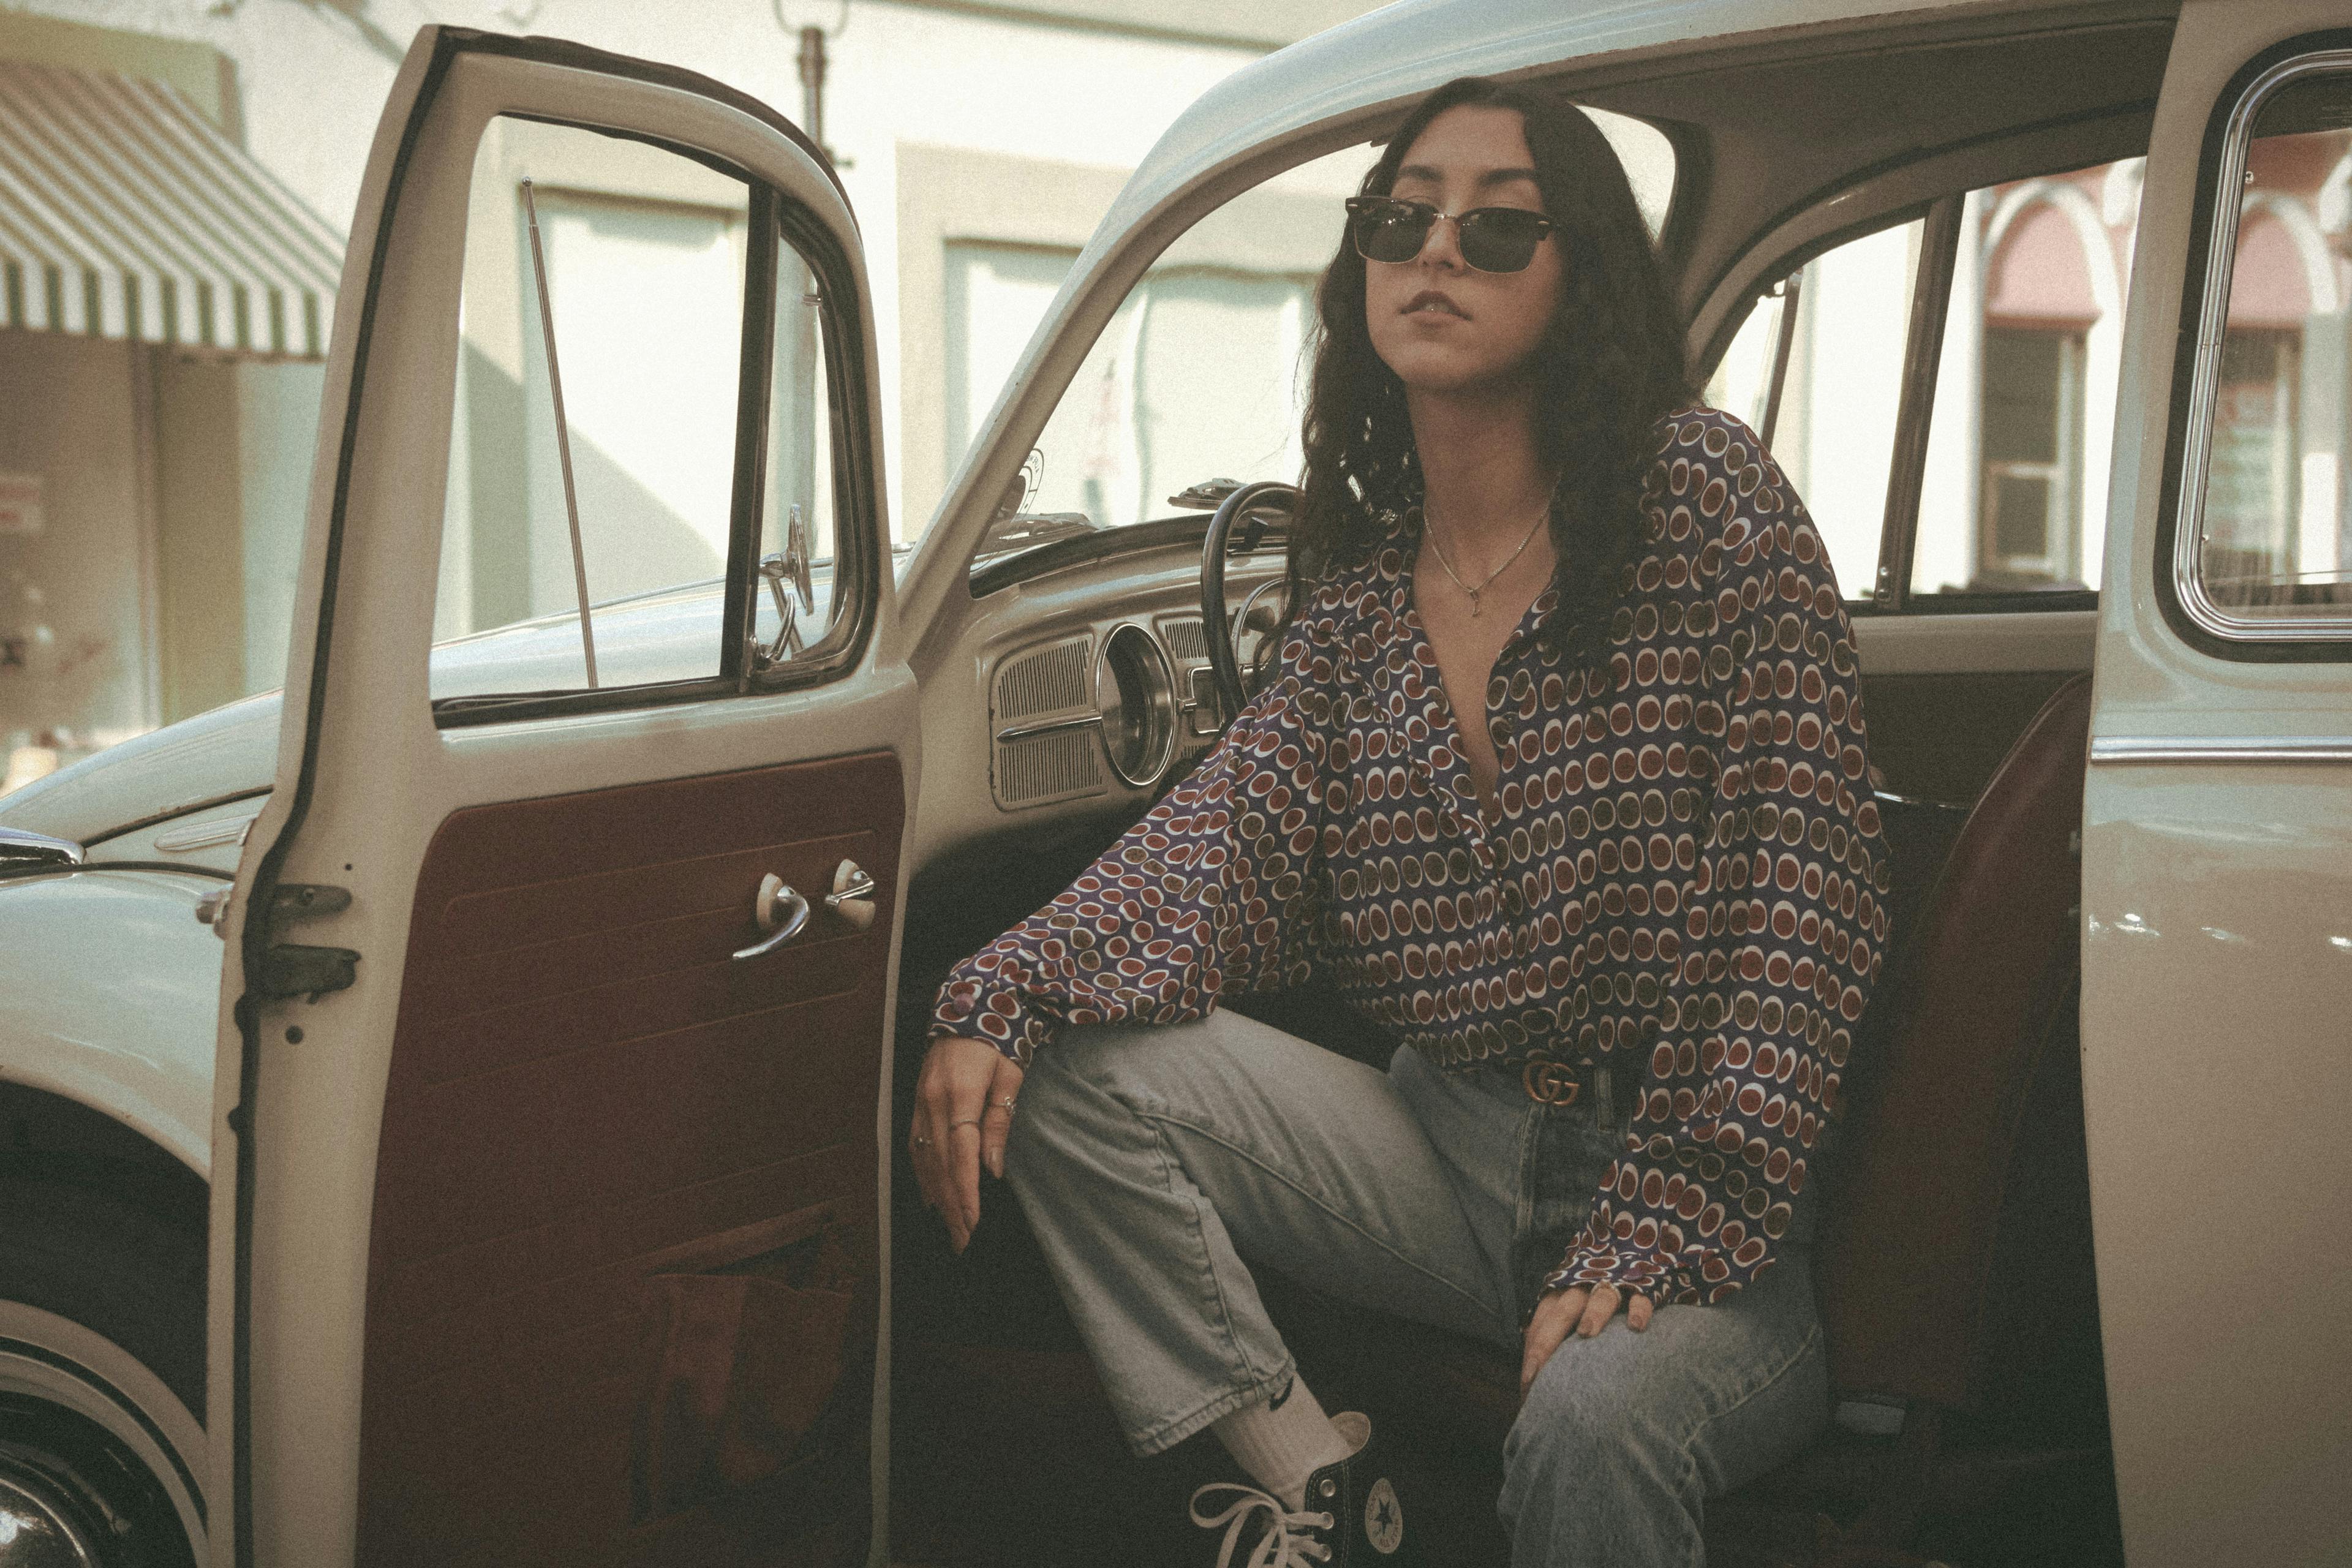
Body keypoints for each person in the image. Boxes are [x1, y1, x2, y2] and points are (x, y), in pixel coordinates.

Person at [910, 75, 1888, 1567]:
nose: (1437, 251)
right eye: (1401, 217)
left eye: (1500, 230)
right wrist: (1002, 991)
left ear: (1584, 283)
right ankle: (1307, 1485)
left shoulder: (1703, 496)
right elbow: (1225, 842)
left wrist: (1669, 1214)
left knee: (1591, 1420)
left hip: (1699, 1185)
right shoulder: (1365, 594)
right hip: (1452, 1147)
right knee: (1065, 1069)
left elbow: (1799, 898)